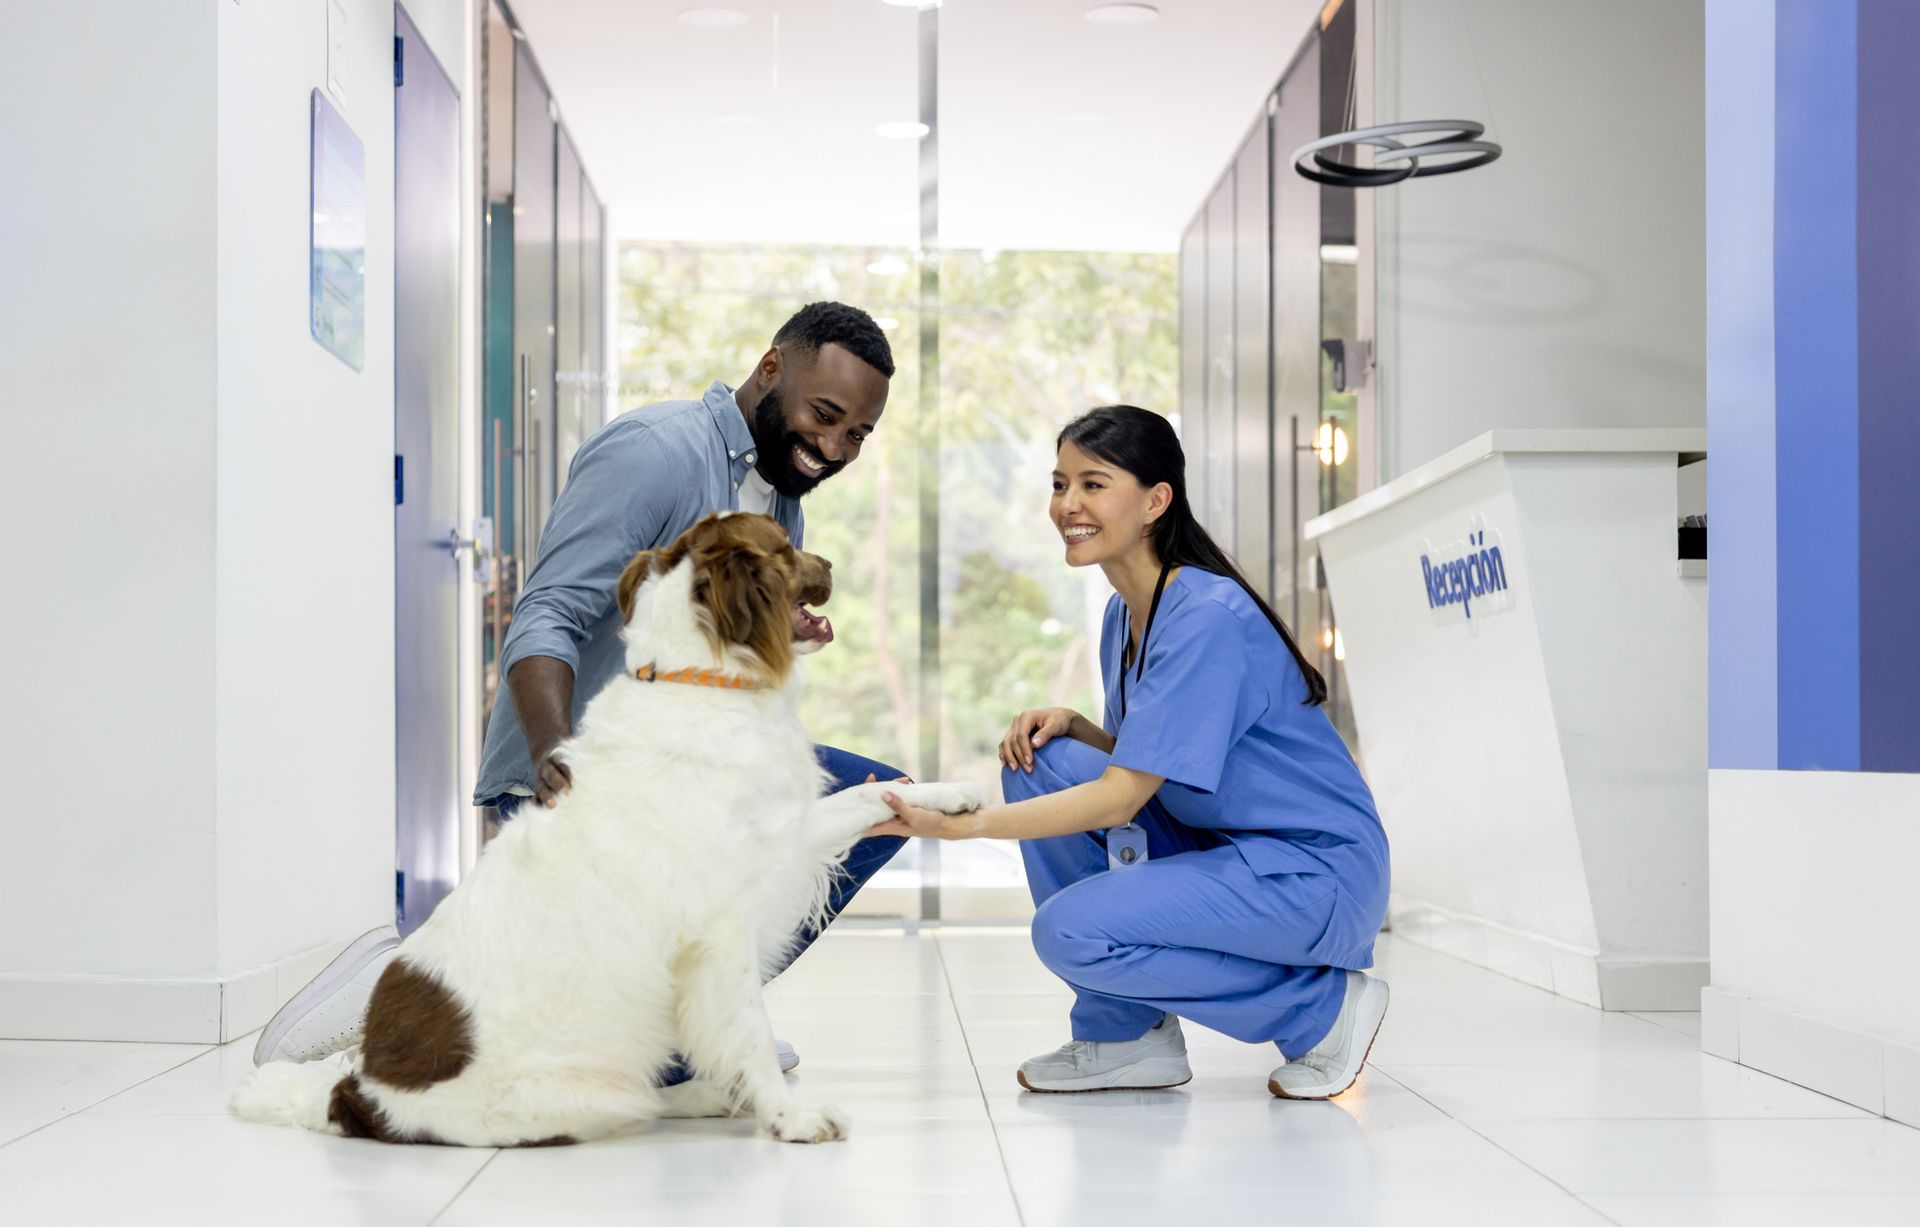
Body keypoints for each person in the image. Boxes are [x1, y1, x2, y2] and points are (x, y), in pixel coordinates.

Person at [254, 302, 907, 1072]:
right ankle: (405, 977)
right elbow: (547, 613)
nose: (832, 446)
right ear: (771, 368)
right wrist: (556, 757)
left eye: (857, 434)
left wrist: (774, 631)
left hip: (679, 783)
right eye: (824, 414)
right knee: (567, 1038)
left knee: (877, 802)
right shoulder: (655, 453)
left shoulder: (782, 502)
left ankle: (693, 1017)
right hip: (583, 778)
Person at [870, 405, 1392, 1098]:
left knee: (1071, 931)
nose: (1068, 504)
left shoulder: (1205, 614)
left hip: (1312, 872)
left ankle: (1318, 1011)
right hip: (1230, 845)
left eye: (1093, 483)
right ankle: (1127, 1036)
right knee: (1043, 760)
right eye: (1060, 484)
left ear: (1155, 500)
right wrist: (1085, 729)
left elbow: (1123, 797)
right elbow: (1173, 752)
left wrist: (961, 827)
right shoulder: (1127, 611)